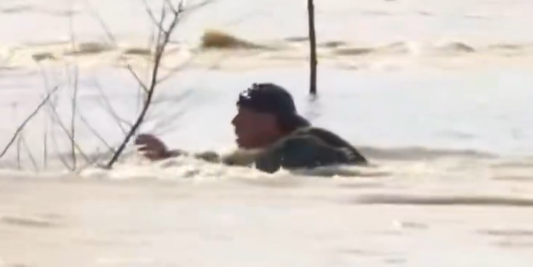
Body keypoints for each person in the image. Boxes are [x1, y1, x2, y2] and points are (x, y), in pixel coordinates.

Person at [135, 82, 368, 173]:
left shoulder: (302, 143)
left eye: (242, 115)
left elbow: (257, 165)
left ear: (268, 119)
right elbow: (232, 161)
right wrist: (168, 156)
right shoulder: (298, 141)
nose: (234, 123)